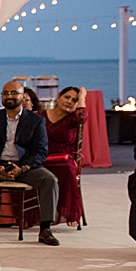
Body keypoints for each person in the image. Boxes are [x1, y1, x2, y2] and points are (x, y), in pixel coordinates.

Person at [0, 80, 60, 245]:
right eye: (5, 93)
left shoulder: (36, 121)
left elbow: (41, 151)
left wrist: (22, 168)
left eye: (14, 93)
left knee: (49, 180)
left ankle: (45, 229)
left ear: (23, 96)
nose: (9, 96)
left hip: (25, 166)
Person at [43, 86, 88, 226]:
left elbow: (82, 116)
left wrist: (82, 98)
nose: (69, 101)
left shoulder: (74, 119)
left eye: (74, 100)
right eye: (67, 97)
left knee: (68, 170)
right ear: (58, 98)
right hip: (43, 157)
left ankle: (70, 213)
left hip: (64, 158)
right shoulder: (41, 115)